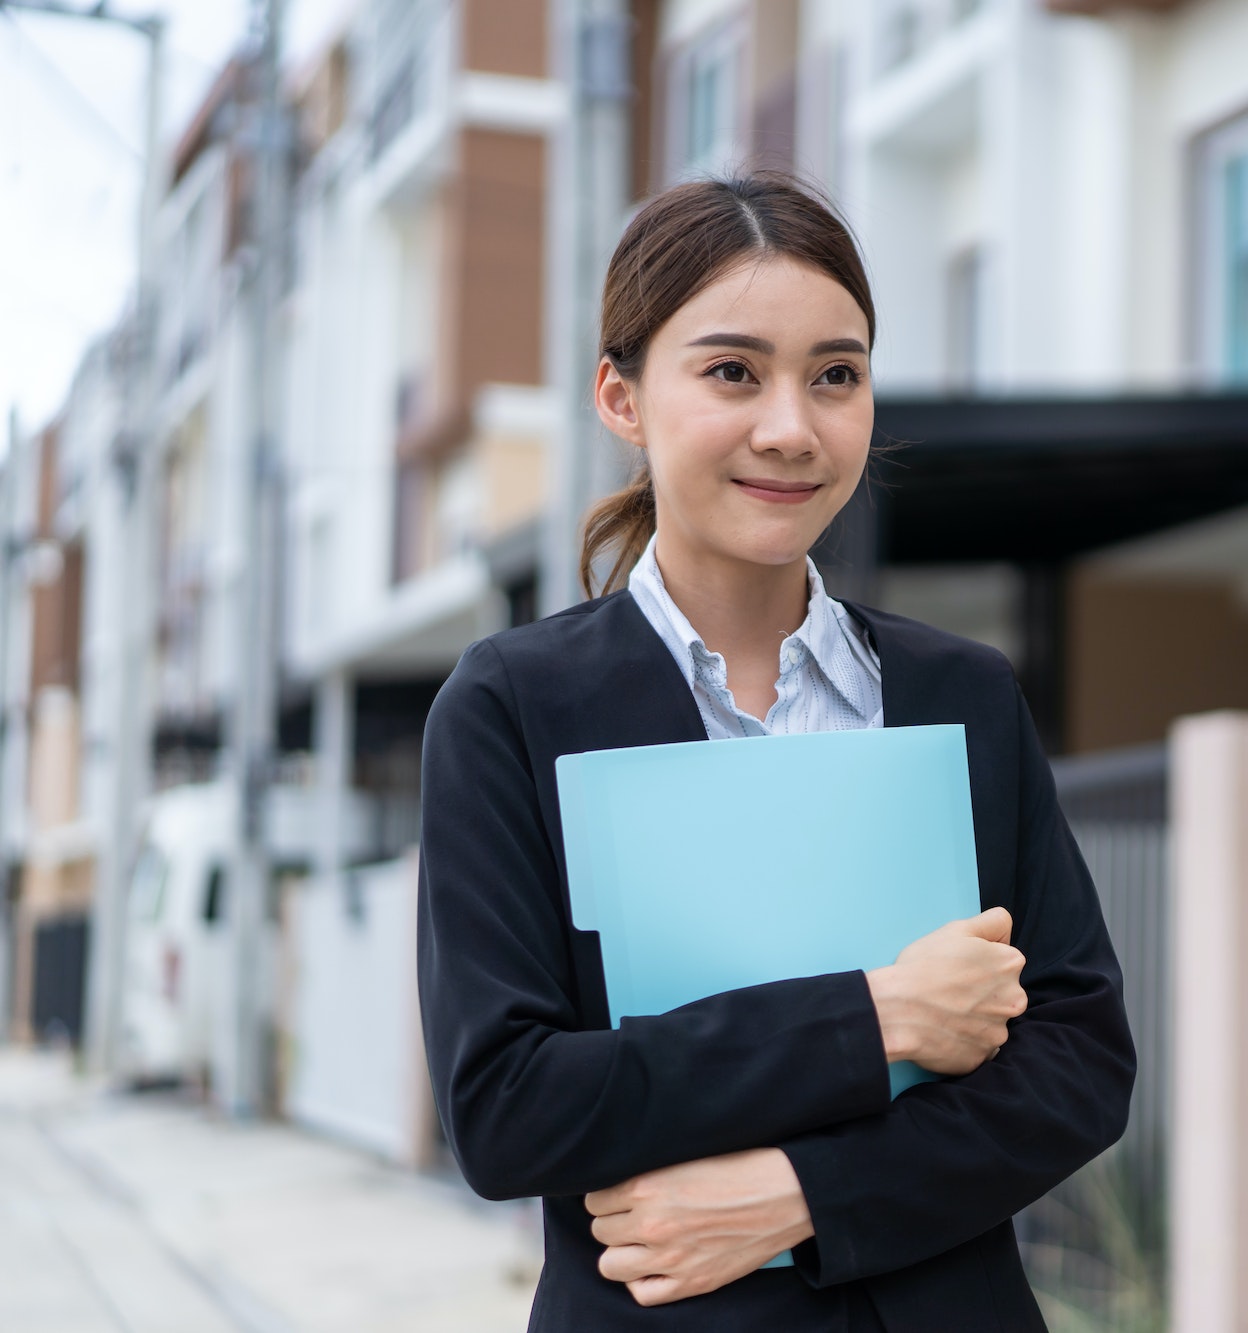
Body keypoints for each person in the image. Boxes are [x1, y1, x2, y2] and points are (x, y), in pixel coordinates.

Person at [416, 173, 1136, 1331]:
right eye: (731, 371)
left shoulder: (962, 696)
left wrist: (805, 1194)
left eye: (835, 376)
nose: (790, 428)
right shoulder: (514, 706)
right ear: (622, 396)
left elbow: (1077, 1065)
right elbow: (509, 1107)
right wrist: (880, 1016)